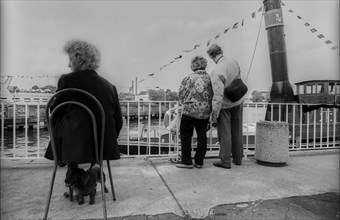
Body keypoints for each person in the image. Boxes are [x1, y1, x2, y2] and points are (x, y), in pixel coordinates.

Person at [44, 39, 123, 167]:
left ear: (79, 58)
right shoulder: (110, 86)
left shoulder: (67, 79)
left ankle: (69, 169)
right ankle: (93, 173)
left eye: (70, 60)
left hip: (76, 147)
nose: (69, 65)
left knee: (59, 120)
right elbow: (118, 121)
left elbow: (55, 112)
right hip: (104, 146)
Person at [207, 44, 244, 169]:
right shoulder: (233, 61)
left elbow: (218, 95)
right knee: (237, 131)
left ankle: (225, 161)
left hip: (225, 105)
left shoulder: (216, 71)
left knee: (225, 134)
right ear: (221, 51)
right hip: (238, 101)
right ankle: (238, 159)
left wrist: (214, 114)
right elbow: (239, 77)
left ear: (211, 56)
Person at [175, 56, 213, 169]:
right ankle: (199, 161)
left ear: (193, 66)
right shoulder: (209, 79)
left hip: (190, 111)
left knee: (186, 135)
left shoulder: (189, 78)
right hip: (204, 112)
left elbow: (181, 94)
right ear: (205, 65)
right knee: (202, 136)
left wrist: (184, 103)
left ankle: (186, 161)